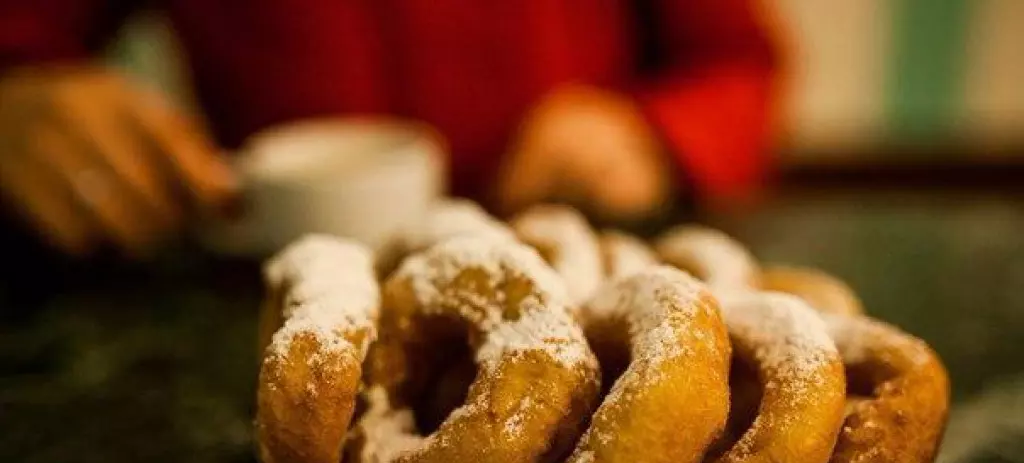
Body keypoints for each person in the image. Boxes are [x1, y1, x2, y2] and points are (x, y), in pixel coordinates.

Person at [0, 0, 779, 258]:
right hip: (258, 294)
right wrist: (19, 96)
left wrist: (651, 133)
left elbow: (737, 62)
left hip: (575, 252)